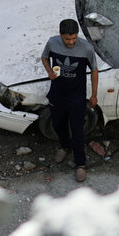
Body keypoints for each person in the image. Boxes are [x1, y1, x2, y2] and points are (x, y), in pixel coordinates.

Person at [40, 19, 98, 182]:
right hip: (57, 94)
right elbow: (44, 57)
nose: (71, 42)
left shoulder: (86, 48)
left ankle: (80, 164)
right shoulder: (52, 43)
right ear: (61, 35)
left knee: (78, 131)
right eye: (67, 39)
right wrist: (49, 71)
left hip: (76, 97)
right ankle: (64, 146)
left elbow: (94, 70)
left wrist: (93, 95)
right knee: (58, 124)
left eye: (74, 38)